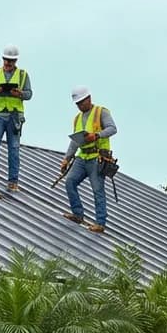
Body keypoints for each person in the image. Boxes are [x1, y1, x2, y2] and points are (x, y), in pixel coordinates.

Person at [60, 86, 117, 233]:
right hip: (82, 156)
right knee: (70, 182)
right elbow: (75, 141)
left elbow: (112, 129)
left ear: (89, 98)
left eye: (81, 102)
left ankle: (100, 223)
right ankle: (78, 214)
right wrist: (67, 158)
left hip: (96, 157)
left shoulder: (101, 112)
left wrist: (96, 135)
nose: (79, 106)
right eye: (77, 104)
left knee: (98, 189)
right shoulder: (77, 118)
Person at [0, 45, 32, 191]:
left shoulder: (23, 75)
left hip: (14, 116)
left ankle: (13, 181)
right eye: (6, 60)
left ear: (15, 61)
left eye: (11, 61)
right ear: (3, 59)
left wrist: (19, 94)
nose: (8, 64)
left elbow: (29, 94)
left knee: (14, 148)